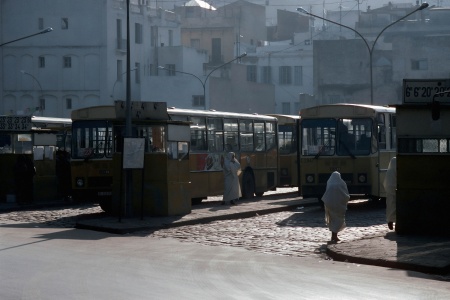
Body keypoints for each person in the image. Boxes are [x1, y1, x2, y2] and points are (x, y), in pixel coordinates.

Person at [321, 171, 350, 242]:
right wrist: (346, 199)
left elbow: (327, 193)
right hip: (339, 206)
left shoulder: (329, 183)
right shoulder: (341, 183)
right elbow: (345, 193)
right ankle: (335, 236)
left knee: (333, 221)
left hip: (331, 206)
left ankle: (333, 236)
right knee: (338, 220)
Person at [383, 157, 397, 230]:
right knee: (396, 206)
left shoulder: (392, 164)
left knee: (391, 205)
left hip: (389, 188)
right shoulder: (396, 163)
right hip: (395, 187)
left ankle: (390, 221)